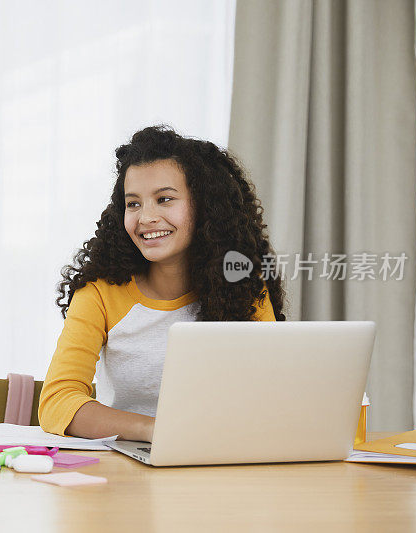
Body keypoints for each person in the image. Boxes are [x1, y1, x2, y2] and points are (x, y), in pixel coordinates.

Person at [38, 125, 286, 442]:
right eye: (133, 203)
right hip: (126, 467)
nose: (147, 217)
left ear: (205, 206)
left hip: (223, 461)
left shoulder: (243, 283)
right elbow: (58, 401)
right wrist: (155, 431)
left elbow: (270, 393)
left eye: (164, 199)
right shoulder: (99, 291)